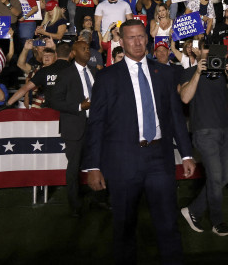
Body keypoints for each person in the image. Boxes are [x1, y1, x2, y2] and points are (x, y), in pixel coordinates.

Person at [83, 20, 196, 264]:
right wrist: (93, 166)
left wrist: (186, 154)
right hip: (123, 161)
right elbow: (97, 123)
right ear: (121, 42)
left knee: (168, 223)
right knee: (124, 226)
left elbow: (176, 117)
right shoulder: (107, 77)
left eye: (141, 37)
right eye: (131, 38)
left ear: (148, 39)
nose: (137, 42)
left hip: (159, 159)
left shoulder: (166, 73)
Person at [178, 43, 228, 236]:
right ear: (198, 52)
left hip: (225, 131)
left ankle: (192, 210)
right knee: (216, 178)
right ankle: (217, 222)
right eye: (207, 51)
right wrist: (198, 73)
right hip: (204, 132)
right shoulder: (189, 72)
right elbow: (184, 98)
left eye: (215, 53)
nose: (210, 56)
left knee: (224, 177)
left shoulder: (226, 72)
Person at [43, 41, 99, 217]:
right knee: (74, 168)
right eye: (83, 49)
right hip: (75, 128)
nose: (87, 51)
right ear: (73, 53)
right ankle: (75, 204)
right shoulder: (65, 74)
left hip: (95, 126)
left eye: (88, 48)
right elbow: (54, 101)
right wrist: (79, 106)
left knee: (98, 163)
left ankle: (99, 199)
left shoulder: (94, 71)